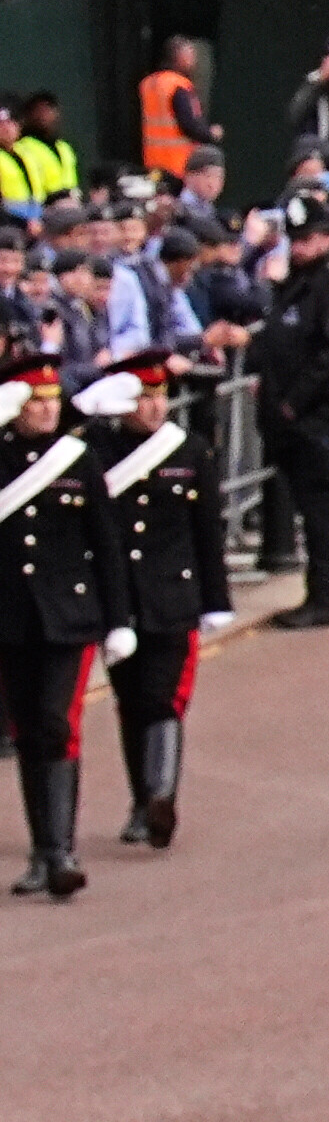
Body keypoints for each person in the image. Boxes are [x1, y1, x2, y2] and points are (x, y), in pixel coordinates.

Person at [84, 359, 226, 850]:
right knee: (132, 701)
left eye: (161, 395)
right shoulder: (95, 451)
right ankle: (141, 799)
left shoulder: (187, 450)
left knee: (165, 698)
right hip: (123, 599)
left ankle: (161, 798)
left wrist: (215, 599)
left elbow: (208, 528)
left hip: (173, 595)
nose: (155, 405)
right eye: (143, 397)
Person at [0, 361, 120, 898]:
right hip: (10, 618)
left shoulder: (78, 459)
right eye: (35, 401)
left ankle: (62, 850)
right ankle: (43, 851)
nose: (49, 408)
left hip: (68, 618)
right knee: (27, 731)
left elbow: (106, 547)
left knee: (53, 722)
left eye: (53, 399)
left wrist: (119, 620)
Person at [249, 203, 329, 627]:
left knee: (318, 508)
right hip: (293, 415)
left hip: (318, 414)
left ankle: (324, 596)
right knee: (309, 505)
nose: (298, 248)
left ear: (328, 236)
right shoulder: (301, 281)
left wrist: (292, 401)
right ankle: (320, 590)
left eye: (306, 240)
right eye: (294, 240)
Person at [137, 37, 217, 181]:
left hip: (153, 165)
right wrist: (210, 134)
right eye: (189, 55)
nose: (194, 60)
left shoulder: (147, 84)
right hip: (180, 165)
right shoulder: (178, 86)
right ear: (178, 56)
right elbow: (189, 125)